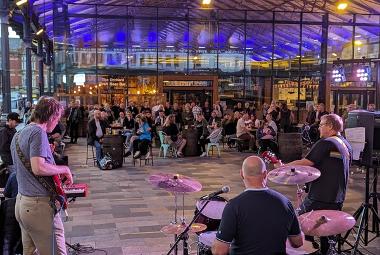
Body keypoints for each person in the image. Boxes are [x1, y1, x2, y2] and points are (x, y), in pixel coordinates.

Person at [278, 114, 352, 255]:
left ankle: (308, 251)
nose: (318, 127)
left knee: (299, 224)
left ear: (330, 126)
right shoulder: (345, 144)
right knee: (328, 230)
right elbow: (332, 168)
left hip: (319, 197)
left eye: (322, 124)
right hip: (337, 197)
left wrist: (284, 167)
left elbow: (306, 163)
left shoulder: (326, 143)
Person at [11, 96, 73, 255]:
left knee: (30, 252)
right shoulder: (38, 132)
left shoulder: (19, 133)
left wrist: (47, 155)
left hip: (23, 203)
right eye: (57, 118)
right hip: (39, 206)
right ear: (52, 116)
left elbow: (28, 167)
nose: (57, 122)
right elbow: (38, 168)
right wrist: (64, 169)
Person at [212, 156, 303, 255]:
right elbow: (297, 242)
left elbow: (219, 251)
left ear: (242, 174)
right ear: (265, 174)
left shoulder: (234, 206)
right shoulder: (285, 202)